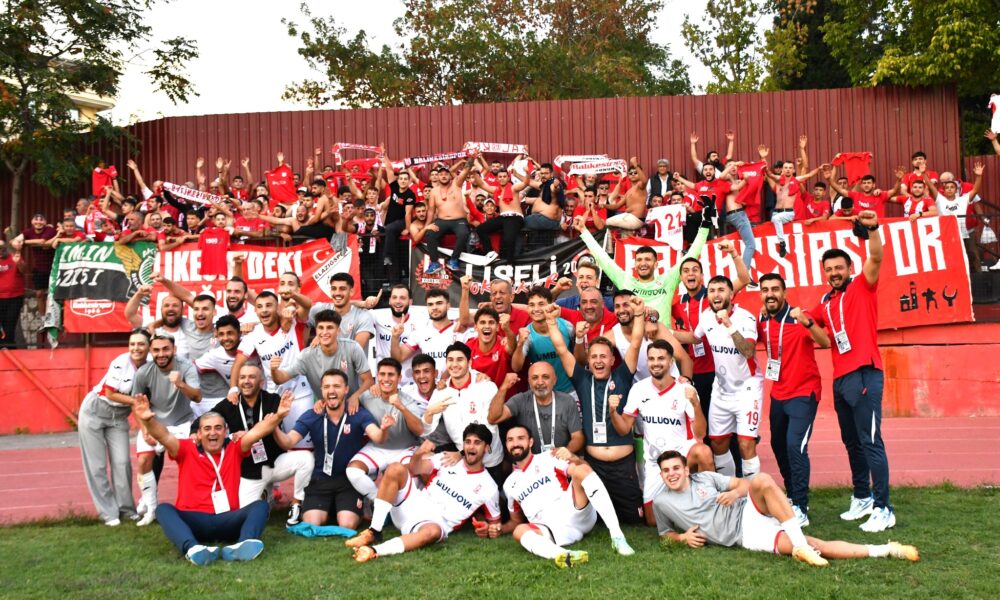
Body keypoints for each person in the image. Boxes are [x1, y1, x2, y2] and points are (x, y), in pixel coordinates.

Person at [652, 451, 919, 566]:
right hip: (746, 535)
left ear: (686, 469)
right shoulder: (662, 502)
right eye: (666, 471)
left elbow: (745, 484)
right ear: (661, 475)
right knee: (818, 545)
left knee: (762, 480)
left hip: (748, 509)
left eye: (676, 468)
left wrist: (734, 493)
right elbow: (665, 533)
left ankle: (799, 544)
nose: (671, 474)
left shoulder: (705, 478)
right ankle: (887, 549)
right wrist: (682, 538)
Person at [807, 210, 896, 532]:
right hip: (841, 378)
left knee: (870, 440)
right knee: (852, 442)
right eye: (829, 269)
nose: (834, 273)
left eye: (839, 268)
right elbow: (808, 321)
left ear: (848, 269)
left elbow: (876, 256)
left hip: (865, 373)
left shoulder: (862, 286)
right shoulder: (826, 302)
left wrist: (872, 229)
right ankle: (862, 497)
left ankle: (884, 508)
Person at [134, 393, 290, 565]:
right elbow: (164, 436)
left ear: (226, 431)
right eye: (207, 429)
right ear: (199, 433)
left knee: (260, 506)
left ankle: (245, 544)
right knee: (163, 509)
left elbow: (257, 432)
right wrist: (148, 421)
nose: (213, 433)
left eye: (218, 428)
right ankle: (193, 548)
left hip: (227, 520)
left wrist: (279, 415)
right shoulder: (186, 448)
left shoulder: (234, 447)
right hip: (194, 521)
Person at [547, 298, 646, 525]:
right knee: (596, 520)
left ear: (612, 359)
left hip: (623, 465)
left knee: (634, 520)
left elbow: (636, 343)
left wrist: (639, 314)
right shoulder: (582, 379)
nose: (598, 361)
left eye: (603, 356)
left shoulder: (623, 376)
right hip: (595, 465)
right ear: (588, 361)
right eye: (594, 357)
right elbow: (561, 349)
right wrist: (551, 322)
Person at [345, 424, 501, 562]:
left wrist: (487, 528)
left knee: (433, 532)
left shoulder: (489, 487)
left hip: (433, 523)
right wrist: (419, 453)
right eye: (468, 442)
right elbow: (414, 469)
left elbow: (495, 523)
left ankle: (374, 551)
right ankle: (374, 531)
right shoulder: (447, 459)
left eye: (477, 443)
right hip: (413, 504)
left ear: (487, 448)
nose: (471, 447)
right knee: (395, 468)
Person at [271, 369, 392, 529]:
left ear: (346, 389)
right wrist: (276, 421)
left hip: (349, 481)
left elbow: (378, 437)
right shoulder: (312, 415)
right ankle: (333, 508)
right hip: (320, 479)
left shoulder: (358, 413)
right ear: (321, 390)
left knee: (347, 524)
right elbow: (288, 442)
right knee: (311, 523)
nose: (331, 391)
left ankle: (350, 505)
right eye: (327, 387)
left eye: (337, 386)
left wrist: (384, 429)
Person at [499, 426, 635, 567]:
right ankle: (564, 555)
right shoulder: (509, 484)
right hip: (550, 529)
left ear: (531, 442)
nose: (515, 443)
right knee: (519, 531)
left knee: (581, 469)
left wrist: (573, 457)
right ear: (506, 444)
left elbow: (586, 470)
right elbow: (515, 521)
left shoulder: (548, 457)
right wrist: (499, 529)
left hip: (574, 512)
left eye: (521, 438)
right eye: (510, 440)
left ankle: (617, 536)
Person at [610, 340, 714, 525]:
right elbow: (624, 428)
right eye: (651, 359)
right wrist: (612, 412)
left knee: (703, 452)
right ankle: (685, 506)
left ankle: (710, 509)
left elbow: (700, 434)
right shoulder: (639, 389)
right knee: (652, 521)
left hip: (682, 454)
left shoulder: (685, 390)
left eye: (661, 358)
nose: (655, 363)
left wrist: (696, 405)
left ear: (671, 362)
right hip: (655, 462)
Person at [673, 276, 763, 478]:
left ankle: (753, 493)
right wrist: (666, 331)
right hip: (721, 389)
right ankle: (730, 487)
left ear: (731, 294)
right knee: (717, 443)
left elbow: (748, 352)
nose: (716, 295)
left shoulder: (745, 318)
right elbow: (695, 338)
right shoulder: (706, 316)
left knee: (746, 443)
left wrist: (729, 324)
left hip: (747, 390)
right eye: (712, 291)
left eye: (721, 290)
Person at [758, 273, 829, 526]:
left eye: (775, 289)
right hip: (778, 392)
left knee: (795, 446)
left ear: (784, 293)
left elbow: (825, 342)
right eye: (765, 290)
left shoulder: (800, 317)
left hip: (803, 392)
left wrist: (807, 322)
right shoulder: (763, 320)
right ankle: (791, 494)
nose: (770, 294)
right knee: (778, 444)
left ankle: (801, 505)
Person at [209, 364, 313, 526]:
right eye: (242, 377)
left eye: (252, 377)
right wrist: (226, 436)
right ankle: (265, 495)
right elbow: (204, 420)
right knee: (242, 517)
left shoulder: (273, 400)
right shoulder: (229, 404)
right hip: (249, 472)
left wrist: (248, 433)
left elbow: (270, 427)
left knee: (306, 459)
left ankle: (297, 503)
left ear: (261, 382)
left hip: (275, 463)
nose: (246, 381)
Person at [574, 209, 712, 322]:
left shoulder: (667, 280)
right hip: (637, 342)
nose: (643, 263)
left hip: (664, 343)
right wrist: (583, 231)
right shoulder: (626, 281)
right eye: (639, 260)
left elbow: (691, 256)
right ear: (634, 264)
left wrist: (705, 225)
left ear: (656, 264)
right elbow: (603, 259)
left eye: (647, 259)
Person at [78, 329, 151, 525]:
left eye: (141, 344)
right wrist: (136, 402)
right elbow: (110, 393)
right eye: (132, 344)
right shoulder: (120, 362)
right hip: (94, 411)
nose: (136, 348)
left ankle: (126, 509)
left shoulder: (150, 366)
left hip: (119, 417)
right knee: (97, 466)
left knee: (122, 463)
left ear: (148, 347)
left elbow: (140, 404)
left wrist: (145, 429)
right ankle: (108, 513)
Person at [130, 333, 201, 526]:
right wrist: (145, 428)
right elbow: (137, 404)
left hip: (182, 424)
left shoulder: (186, 367)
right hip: (154, 423)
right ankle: (151, 508)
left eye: (165, 349)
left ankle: (194, 505)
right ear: (151, 352)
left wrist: (180, 384)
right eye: (156, 350)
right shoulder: (143, 372)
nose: (161, 354)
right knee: (143, 461)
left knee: (191, 462)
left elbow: (197, 397)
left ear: (174, 350)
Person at [230, 292, 313, 449]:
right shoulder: (253, 336)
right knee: (272, 448)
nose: (264, 310)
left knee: (302, 446)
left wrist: (292, 295)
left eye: (269, 305)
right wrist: (233, 389)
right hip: (274, 398)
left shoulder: (293, 322)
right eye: (260, 306)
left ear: (278, 307)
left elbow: (307, 305)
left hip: (300, 393)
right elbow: (238, 364)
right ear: (255, 311)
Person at [344, 358, 426, 502]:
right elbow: (346, 404)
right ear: (377, 376)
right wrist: (355, 397)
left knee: (410, 481)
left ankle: (396, 506)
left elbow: (420, 430)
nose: (386, 379)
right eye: (382, 374)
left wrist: (401, 407)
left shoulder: (408, 401)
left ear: (399, 378)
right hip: (377, 447)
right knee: (353, 471)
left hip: (405, 448)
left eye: (391, 375)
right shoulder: (368, 396)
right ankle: (378, 501)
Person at [423, 343, 504, 472]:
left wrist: (461, 453)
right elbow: (427, 427)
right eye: (450, 360)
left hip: (489, 460)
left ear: (469, 362)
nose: (454, 364)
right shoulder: (441, 391)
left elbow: (488, 429)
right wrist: (429, 413)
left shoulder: (486, 386)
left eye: (460, 359)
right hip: (462, 459)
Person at [272, 309, 373, 408]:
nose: (324, 332)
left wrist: (355, 397)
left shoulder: (352, 347)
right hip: (324, 407)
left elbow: (368, 381)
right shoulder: (306, 356)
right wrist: (274, 370)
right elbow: (280, 379)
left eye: (329, 328)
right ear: (316, 331)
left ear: (338, 331)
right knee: (304, 419)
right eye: (321, 328)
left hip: (352, 406)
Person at [488, 364, 585, 454]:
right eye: (535, 378)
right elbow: (493, 419)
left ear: (554, 380)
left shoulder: (567, 401)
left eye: (545, 377)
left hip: (561, 459)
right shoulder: (520, 400)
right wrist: (504, 387)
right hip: (530, 462)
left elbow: (578, 437)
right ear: (529, 381)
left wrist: (567, 451)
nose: (540, 382)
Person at [390, 288, 470, 374]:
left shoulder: (461, 329)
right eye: (430, 304)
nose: (434, 307)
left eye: (439, 303)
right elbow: (398, 358)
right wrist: (395, 337)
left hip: (455, 381)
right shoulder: (420, 332)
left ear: (448, 306)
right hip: (429, 381)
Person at [424, 156, 476, 274]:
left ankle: (453, 260)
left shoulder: (456, 184)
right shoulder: (434, 191)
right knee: (430, 234)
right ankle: (434, 263)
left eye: (446, 174)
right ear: (437, 176)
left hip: (458, 220)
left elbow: (466, 169)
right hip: (441, 220)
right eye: (441, 174)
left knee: (464, 233)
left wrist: (472, 158)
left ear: (449, 176)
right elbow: (431, 210)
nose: (443, 176)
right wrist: (427, 225)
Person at [308, 273, 376, 352]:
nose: (337, 293)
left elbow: (355, 351)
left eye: (342, 289)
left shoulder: (363, 316)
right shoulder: (319, 310)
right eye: (334, 289)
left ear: (351, 292)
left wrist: (324, 338)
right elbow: (302, 323)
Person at [0, 238, 27, 348]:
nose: (0, 250)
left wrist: (18, 263)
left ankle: (9, 348)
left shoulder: (14, 256)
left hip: (15, 297)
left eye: (2, 247)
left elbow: (24, 270)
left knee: (10, 325)